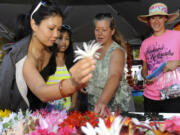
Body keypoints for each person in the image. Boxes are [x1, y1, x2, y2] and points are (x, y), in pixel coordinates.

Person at [0, 0, 96, 112]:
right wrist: (73, 83)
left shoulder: (52, 48)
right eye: (51, 28)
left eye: (59, 29)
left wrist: (82, 77)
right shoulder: (23, 57)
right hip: (17, 119)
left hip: (44, 117)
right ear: (34, 25)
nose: (56, 35)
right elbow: (42, 92)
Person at [86, 13, 135, 116]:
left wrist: (102, 101)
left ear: (112, 31)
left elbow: (114, 76)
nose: (100, 34)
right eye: (97, 30)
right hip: (93, 104)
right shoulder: (92, 48)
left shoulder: (117, 51)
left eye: (104, 30)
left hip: (115, 107)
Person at [138, 2, 180, 112]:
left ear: (165, 19)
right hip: (150, 96)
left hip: (173, 95)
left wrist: (177, 62)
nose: (156, 21)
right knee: (151, 128)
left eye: (160, 17)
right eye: (153, 18)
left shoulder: (177, 36)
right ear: (149, 21)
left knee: (173, 129)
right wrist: (145, 76)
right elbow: (144, 68)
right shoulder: (145, 43)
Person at [46, 24, 77, 111]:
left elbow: (75, 86)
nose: (64, 42)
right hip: (48, 113)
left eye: (67, 39)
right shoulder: (47, 60)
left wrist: (73, 106)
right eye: (60, 38)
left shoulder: (71, 61)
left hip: (66, 113)